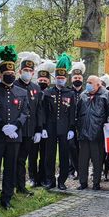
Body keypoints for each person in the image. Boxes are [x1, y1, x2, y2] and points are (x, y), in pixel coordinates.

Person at [0, 45, 29, 213]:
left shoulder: (21, 91)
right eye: (5, 74)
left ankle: (7, 198)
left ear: (15, 74)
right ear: (0, 75)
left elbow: (25, 112)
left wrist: (16, 126)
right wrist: (2, 126)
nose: (9, 76)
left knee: (10, 167)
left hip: (14, 137)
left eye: (11, 74)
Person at [42, 53, 76, 190]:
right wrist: (43, 127)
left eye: (62, 78)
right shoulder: (48, 93)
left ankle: (62, 180)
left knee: (63, 156)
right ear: (55, 78)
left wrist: (72, 129)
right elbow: (43, 111)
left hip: (64, 128)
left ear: (66, 79)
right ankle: (50, 180)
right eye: (58, 78)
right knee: (49, 156)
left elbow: (72, 113)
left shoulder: (70, 93)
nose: (60, 80)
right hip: (50, 128)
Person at [76, 76, 109, 190]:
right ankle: (83, 182)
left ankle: (96, 183)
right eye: (87, 82)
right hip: (83, 133)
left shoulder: (106, 95)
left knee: (97, 161)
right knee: (83, 161)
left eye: (90, 82)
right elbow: (77, 113)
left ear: (98, 84)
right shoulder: (83, 95)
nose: (88, 84)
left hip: (98, 134)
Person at [13, 52, 43, 196]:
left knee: (22, 159)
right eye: (26, 71)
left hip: (30, 130)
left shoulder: (36, 88)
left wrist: (38, 129)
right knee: (14, 159)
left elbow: (38, 110)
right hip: (16, 130)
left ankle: (20, 186)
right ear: (20, 71)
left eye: (31, 71)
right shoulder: (13, 86)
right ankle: (14, 185)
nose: (28, 73)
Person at [29, 60, 55, 187]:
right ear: (37, 80)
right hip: (34, 127)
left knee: (45, 155)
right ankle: (33, 178)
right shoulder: (33, 92)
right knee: (32, 154)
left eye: (45, 80)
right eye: (40, 80)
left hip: (47, 129)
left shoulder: (51, 94)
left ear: (49, 82)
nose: (42, 82)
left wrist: (46, 127)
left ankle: (43, 177)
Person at [68, 61, 85, 180]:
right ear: (71, 79)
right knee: (71, 147)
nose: (77, 79)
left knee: (81, 148)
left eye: (79, 77)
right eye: (75, 77)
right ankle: (71, 170)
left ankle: (80, 171)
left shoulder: (86, 92)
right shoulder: (68, 92)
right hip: (70, 123)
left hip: (82, 124)